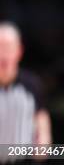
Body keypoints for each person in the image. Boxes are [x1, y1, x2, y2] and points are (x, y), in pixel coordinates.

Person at [0, 21, 52, 161]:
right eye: (0, 47)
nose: (4, 55)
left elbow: (42, 127)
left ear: (19, 51)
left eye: (9, 48)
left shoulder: (32, 85)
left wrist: (42, 145)